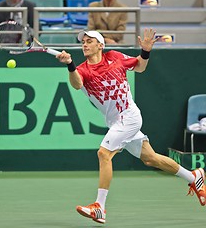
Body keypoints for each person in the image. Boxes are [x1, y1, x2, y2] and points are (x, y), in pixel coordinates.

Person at [56, 29, 206, 224]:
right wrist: (69, 64)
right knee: (151, 159)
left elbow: (141, 67)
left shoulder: (115, 57)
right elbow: (77, 84)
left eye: (89, 41)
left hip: (129, 116)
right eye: (83, 42)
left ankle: (99, 206)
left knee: (104, 154)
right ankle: (194, 176)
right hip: (114, 121)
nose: (85, 44)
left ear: (101, 45)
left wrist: (145, 52)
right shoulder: (83, 69)